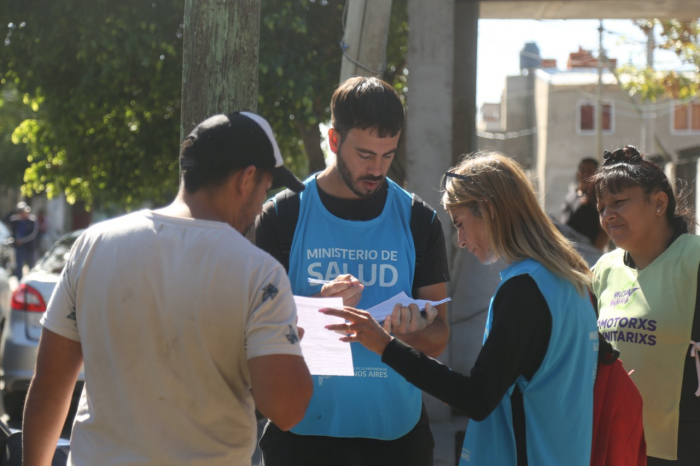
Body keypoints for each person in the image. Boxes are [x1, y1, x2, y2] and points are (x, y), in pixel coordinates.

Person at [21, 112, 314, 466]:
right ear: (247, 178)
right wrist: (289, 347)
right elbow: (287, 410)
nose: (259, 206)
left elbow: (48, 388)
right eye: (266, 188)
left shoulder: (94, 244)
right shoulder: (260, 274)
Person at [322, 152, 599, 465]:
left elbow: (476, 398)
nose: (460, 241)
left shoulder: (525, 289)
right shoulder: (571, 280)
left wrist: (385, 346)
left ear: (489, 209)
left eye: (460, 224)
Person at [254, 76, 450, 465]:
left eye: (388, 155)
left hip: (397, 435)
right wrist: (313, 305)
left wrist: (415, 331)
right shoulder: (283, 215)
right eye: (365, 155)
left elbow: (439, 337)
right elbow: (254, 333)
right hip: (300, 434)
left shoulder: (418, 220)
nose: (377, 169)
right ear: (333, 140)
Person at [590, 145, 700, 464]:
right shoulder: (603, 270)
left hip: (684, 445)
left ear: (659, 203)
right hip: (618, 440)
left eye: (619, 202)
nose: (608, 214)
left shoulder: (694, 260)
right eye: (601, 207)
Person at [560, 157, 609, 251]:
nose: (586, 174)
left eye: (590, 170)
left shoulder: (598, 198)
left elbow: (604, 232)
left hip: (586, 250)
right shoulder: (570, 195)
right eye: (583, 170)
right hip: (567, 248)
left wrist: (595, 253)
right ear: (577, 173)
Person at [9, 201, 39, 280]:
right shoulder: (15, 221)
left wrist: (22, 240)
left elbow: (33, 234)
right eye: (22, 212)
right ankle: (20, 283)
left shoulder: (32, 221)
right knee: (19, 267)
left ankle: (31, 283)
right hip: (19, 248)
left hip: (29, 248)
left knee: (31, 267)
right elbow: (13, 232)